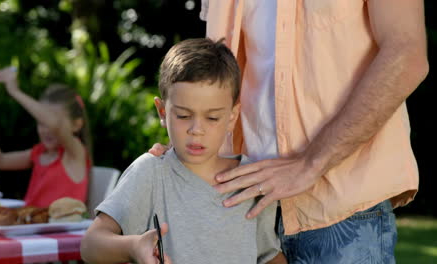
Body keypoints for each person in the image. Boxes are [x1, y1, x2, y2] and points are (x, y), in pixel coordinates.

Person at [150, 1, 429, 263]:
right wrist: (188, 150)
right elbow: (214, 71)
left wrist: (311, 162)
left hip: (341, 210)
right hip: (242, 207)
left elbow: (407, 52)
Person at [81, 38, 286, 264]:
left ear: (232, 117)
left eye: (212, 118)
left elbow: (269, 256)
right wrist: (133, 247)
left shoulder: (251, 180)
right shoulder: (150, 173)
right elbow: (91, 245)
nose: (196, 130)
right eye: (183, 115)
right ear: (162, 111)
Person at [0, 67, 92, 207]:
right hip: (33, 225)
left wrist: (15, 91)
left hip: (62, 228)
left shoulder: (75, 153)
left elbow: (55, 125)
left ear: (77, 125)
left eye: (47, 120)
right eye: (41, 122)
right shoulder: (38, 153)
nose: (46, 129)